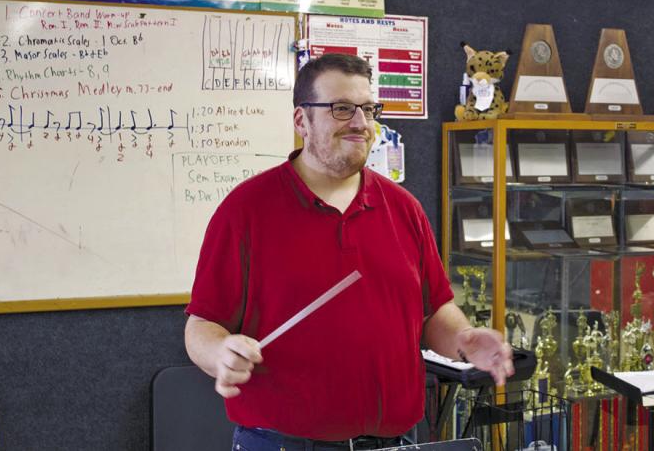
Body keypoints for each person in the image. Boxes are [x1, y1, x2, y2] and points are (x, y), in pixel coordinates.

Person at [184, 53, 514, 450]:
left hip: (394, 440)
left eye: (368, 109)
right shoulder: (246, 210)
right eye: (342, 109)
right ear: (301, 121)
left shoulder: (402, 207)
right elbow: (201, 327)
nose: (360, 123)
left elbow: (433, 310)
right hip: (283, 444)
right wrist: (219, 351)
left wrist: (463, 337)